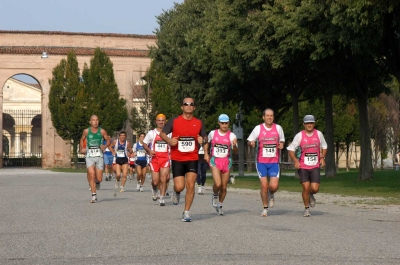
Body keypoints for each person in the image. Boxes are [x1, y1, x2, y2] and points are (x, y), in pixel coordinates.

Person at [160, 97, 207, 222]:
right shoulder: (174, 121)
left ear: (194, 107)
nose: (189, 106)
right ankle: (176, 192)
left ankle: (186, 212)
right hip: (177, 158)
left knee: (191, 185)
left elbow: (205, 137)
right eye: (186, 104)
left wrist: (204, 140)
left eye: (191, 104)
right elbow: (162, 134)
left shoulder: (198, 122)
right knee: (180, 186)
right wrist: (170, 140)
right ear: (182, 107)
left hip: (192, 157)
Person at [247, 108, 285, 217]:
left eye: (271, 116)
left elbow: (282, 141)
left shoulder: (278, 128)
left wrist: (281, 144)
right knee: (264, 185)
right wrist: (251, 144)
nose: (269, 117)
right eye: (267, 115)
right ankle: (265, 208)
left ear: (273, 117)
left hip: (274, 162)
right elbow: (249, 141)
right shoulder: (258, 128)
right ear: (263, 117)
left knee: (274, 186)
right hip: (261, 162)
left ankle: (271, 194)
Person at [287, 115, 327, 217]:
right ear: (304, 124)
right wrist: (295, 160)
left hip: (315, 166)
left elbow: (324, 146)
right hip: (303, 166)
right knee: (305, 187)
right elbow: (291, 149)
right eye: (307, 123)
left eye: (311, 123)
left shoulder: (319, 134)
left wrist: (322, 157)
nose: (309, 125)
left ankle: (311, 195)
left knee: (315, 188)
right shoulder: (299, 136)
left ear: (314, 124)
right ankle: (306, 209)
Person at [204, 114, 238, 215]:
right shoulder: (213, 133)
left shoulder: (232, 135)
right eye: (222, 123)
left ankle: (220, 205)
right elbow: (207, 142)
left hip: (226, 161)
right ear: (219, 123)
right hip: (215, 160)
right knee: (218, 184)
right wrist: (206, 153)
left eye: (226, 123)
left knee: (223, 187)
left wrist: (235, 146)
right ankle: (214, 194)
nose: (224, 125)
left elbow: (235, 151)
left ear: (228, 123)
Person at [79, 115, 110, 203]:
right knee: (92, 175)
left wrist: (105, 146)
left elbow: (108, 140)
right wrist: (82, 148)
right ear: (90, 122)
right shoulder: (86, 131)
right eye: (93, 120)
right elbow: (82, 139)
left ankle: (97, 183)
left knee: (99, 179)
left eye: (97, 120)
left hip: (99, 155)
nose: (95, 122)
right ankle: (94, 195)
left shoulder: (102, 131)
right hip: (89, 155)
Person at [143, 113, 171, 206]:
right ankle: (154, 189)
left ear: (165, 122)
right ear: (156, 122)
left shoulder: (169, 133)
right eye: (159, 120)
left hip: (165, 158)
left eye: (162, 120)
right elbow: (144, 144)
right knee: (155, 181)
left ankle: (162, 197)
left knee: (163, 178)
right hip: (155, 159)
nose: (161, 122)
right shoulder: (152, 133)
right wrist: (149, 150)